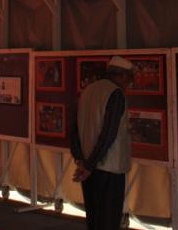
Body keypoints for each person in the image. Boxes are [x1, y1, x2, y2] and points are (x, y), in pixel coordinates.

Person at [71, 56, 134, 230]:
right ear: (121, 76)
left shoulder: (87, 90)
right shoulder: (115, 94)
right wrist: (90, 165)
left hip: (89, 167)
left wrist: (81, 161)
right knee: (108, 220)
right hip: (109, 168)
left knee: (94, 217)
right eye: (129, 78)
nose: (129, 83)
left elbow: (74, 129)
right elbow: (109, 134)